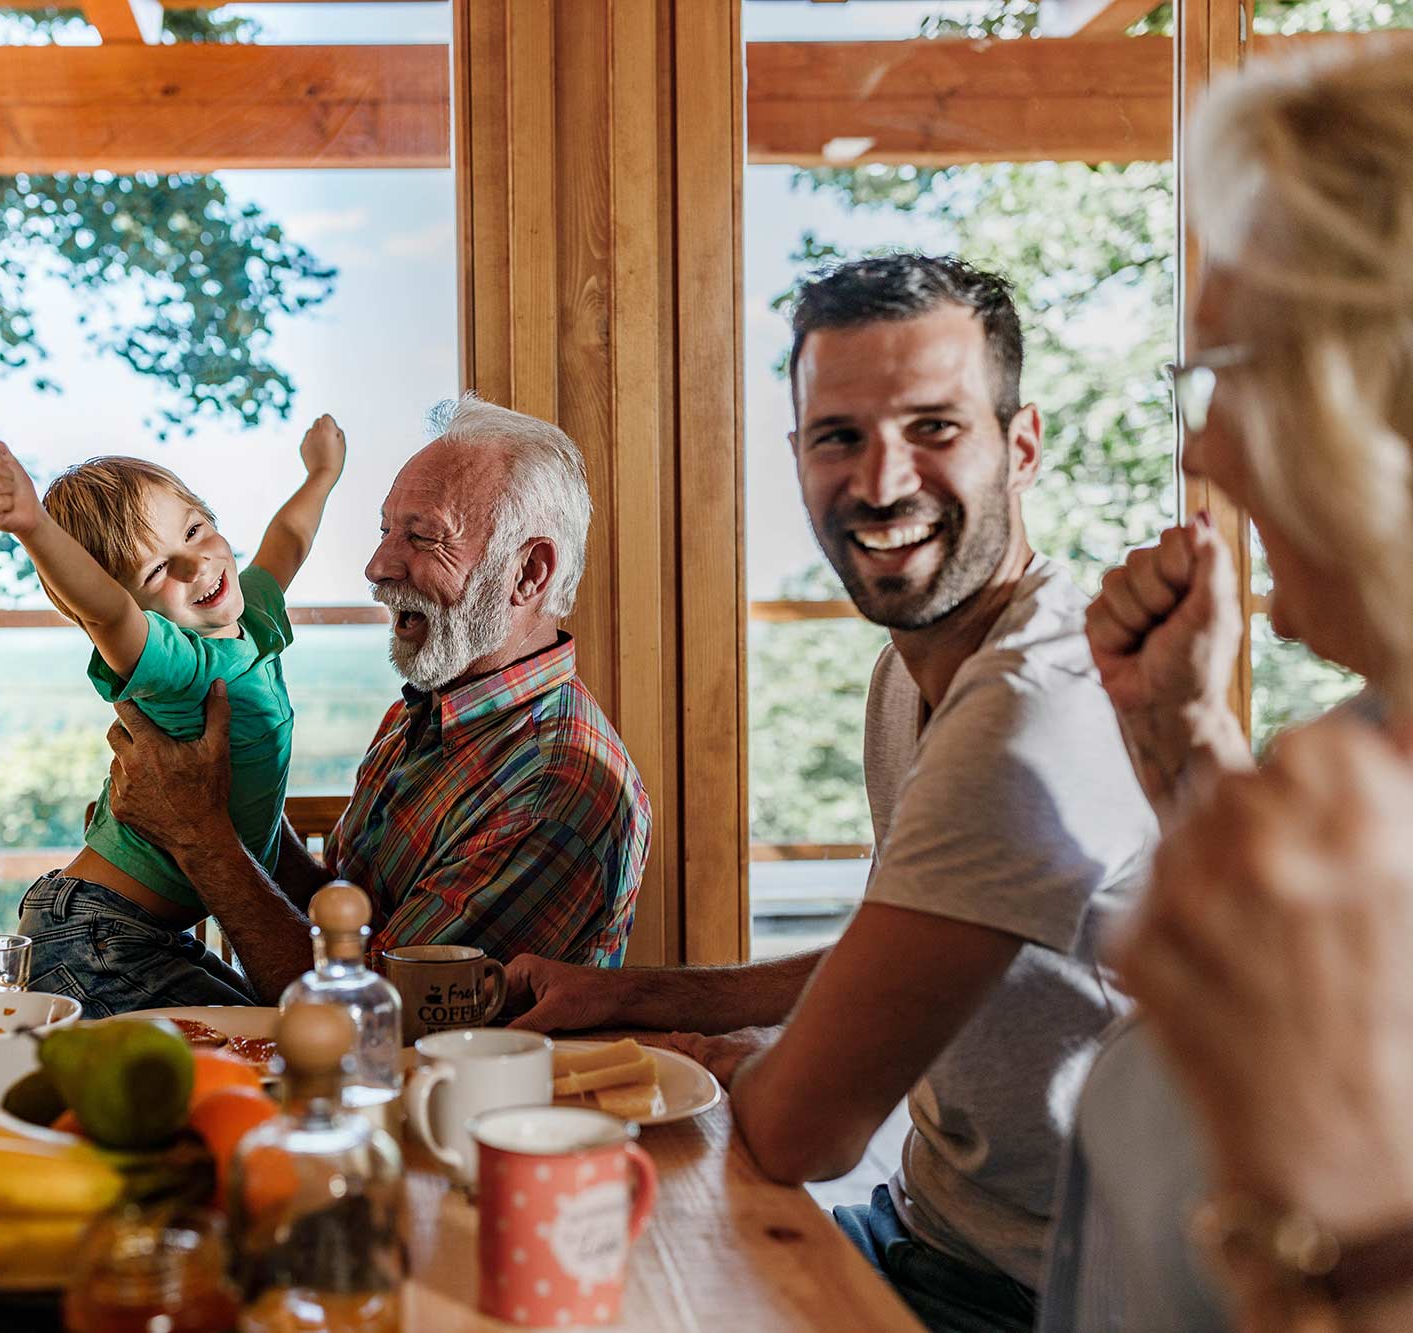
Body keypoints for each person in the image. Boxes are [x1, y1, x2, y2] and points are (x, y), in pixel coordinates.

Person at [505, 256, 1156, 1333]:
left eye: (933, 429)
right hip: (926, 1232)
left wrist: (738, 1062)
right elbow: (911, 944)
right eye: (837, 436)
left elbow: (804, 1132)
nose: (879, 480)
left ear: (1022, 444)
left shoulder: (1027, 713)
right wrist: (636, 999)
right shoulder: (907, 669)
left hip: (1054, 1299)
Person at [1040, 41, 1413, 1333]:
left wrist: (1356, 1238)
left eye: (1237, 373)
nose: (1200, 441)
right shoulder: (1361, 751)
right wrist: (1186, 747)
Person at [96, 395, 651, 1005]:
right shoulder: (427, 709)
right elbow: (346, 928)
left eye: (422, 537)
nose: (377, 565)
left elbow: (379, 1012)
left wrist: (201, 835)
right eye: (386, 530)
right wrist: (226, 797)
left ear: (528, 573)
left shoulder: (557, 787)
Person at [0, 417, 344, 1012]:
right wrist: (33, 527)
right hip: (98, 936)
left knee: (269, 1032)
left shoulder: (255, 615)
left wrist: (321, 474)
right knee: (262, 1051)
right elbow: (108, 611)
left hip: (138, 933)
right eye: (157, 571)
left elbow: (287, 539)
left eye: (195, 530)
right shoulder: (175, 660)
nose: (196, 565)